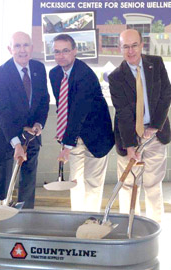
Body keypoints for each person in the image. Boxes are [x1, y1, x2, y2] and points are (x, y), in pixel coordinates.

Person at [108, 29, 171, 223]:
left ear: (141, 45)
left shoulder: (156, 63)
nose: (130, 51)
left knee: (153, 184)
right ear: (120, 48)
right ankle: (129, 224)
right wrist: (129, 146)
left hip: (155, 133)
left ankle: (155, 224)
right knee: (128, 184)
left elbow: (166, 94)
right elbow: (124, 112)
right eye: (125, 46)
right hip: (129, 135)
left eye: (134, 45)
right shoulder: (115, 77)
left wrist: (155, 126)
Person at [49, 34, 114, 212]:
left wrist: (66, 145)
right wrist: (65, 139)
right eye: (56, 51)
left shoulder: (84, 74)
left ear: (75, 51)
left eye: (65, 51)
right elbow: (63, 106)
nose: (61, 55)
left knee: (93, 183)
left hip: (96, 135)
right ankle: (76, 218)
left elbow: (78, 111)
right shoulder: (54, 74)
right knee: (75, 181)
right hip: (74, 135)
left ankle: (90, 220)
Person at [0, 31, 50, 208]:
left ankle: (25, 212)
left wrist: (39, 123)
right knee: (4, 175)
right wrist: (16, 143)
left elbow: (43, 100)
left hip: (32, 133)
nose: (22, 50)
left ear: (32, 48)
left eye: (26, 45)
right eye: (17, 46)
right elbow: (3, 111)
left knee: (29, 175)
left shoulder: (39, 69)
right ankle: (0, 208)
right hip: (5, 131)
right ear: (10, 49)